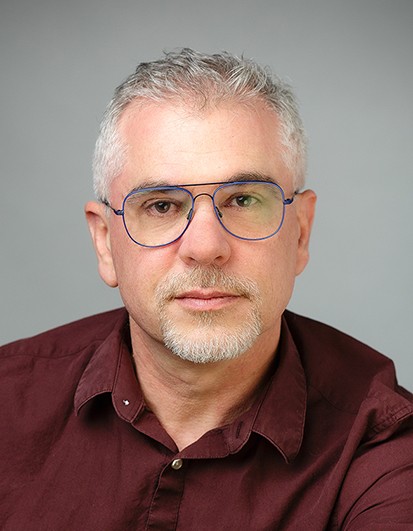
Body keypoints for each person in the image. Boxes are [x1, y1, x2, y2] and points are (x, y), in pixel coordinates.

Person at [1, 48, 412, 530]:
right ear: (105, 242)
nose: (205, 247)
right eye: (161, 205)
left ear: (300, 232)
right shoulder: (8, 399)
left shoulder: (383, 445)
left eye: (243, 200)